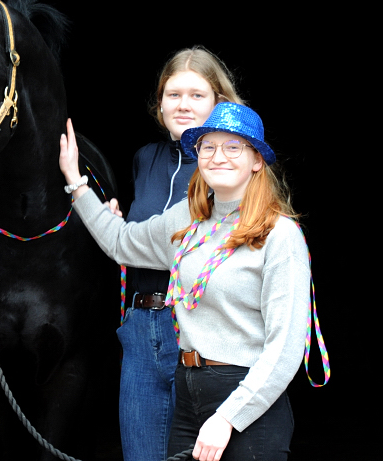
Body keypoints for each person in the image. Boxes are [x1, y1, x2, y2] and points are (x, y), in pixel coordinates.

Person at [60, 102, 309, 460]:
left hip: (247, 399)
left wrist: (227, 418)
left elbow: (284, 350)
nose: (218, 156)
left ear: (257, 159)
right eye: (208, 146)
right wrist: (76, 183)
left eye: (233, 147)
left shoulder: (280, 235)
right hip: (187, 390)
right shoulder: (188, 220)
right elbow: (121, 242)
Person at [112, 46, 243, 461]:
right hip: (139, 330)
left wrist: (125, 239)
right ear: (159, 102)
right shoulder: (144, 160)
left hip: (202, 332)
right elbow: (137, 240)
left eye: (196, 95)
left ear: (219, 103)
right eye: (173, 94)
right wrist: (117, 226)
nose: (183, 105)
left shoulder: (230, 165)